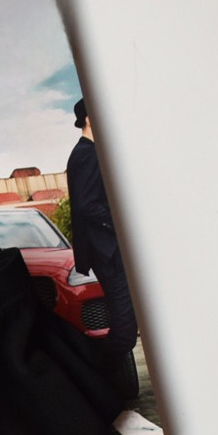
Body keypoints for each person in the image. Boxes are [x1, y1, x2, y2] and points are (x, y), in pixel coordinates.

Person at [65, 98, 139, 400]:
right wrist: (119, 223)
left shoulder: (89, 153)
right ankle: (88, 381)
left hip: (109, 252)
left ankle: (92, 383)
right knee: (124, 332)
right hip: (108, 253)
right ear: (89, 119)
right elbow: (87, 206)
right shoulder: (87, 154)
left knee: (126, 327)